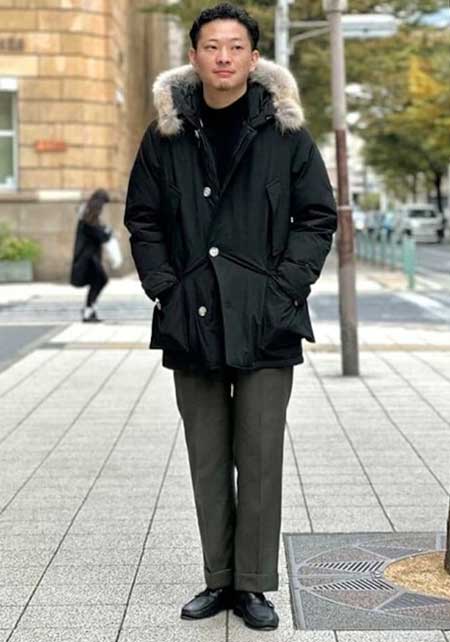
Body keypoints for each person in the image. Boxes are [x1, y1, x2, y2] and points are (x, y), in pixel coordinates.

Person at [124, 2, 337, 631]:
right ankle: (218, 579)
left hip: (268, 320)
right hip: (191, 317)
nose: (224, 57)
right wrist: (165, 288)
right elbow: (143, 219)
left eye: (236, 46)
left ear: (253, 57)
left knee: (260, 454)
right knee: (208, 456)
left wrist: (286, 289)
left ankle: (253, 586)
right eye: (212, 46)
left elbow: (316, 217)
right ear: (194, 56)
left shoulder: (285, 133)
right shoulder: (165, 134)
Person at [70, 188, 112, 323]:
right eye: (103, 204)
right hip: (88, 258)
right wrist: (108, 232)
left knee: (98, 281)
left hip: (90, 257)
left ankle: (89, 309)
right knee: (100, 280)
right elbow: (101, 236)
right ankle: (88, 310)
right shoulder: (88, 219)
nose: (103, 208)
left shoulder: (87, 216)